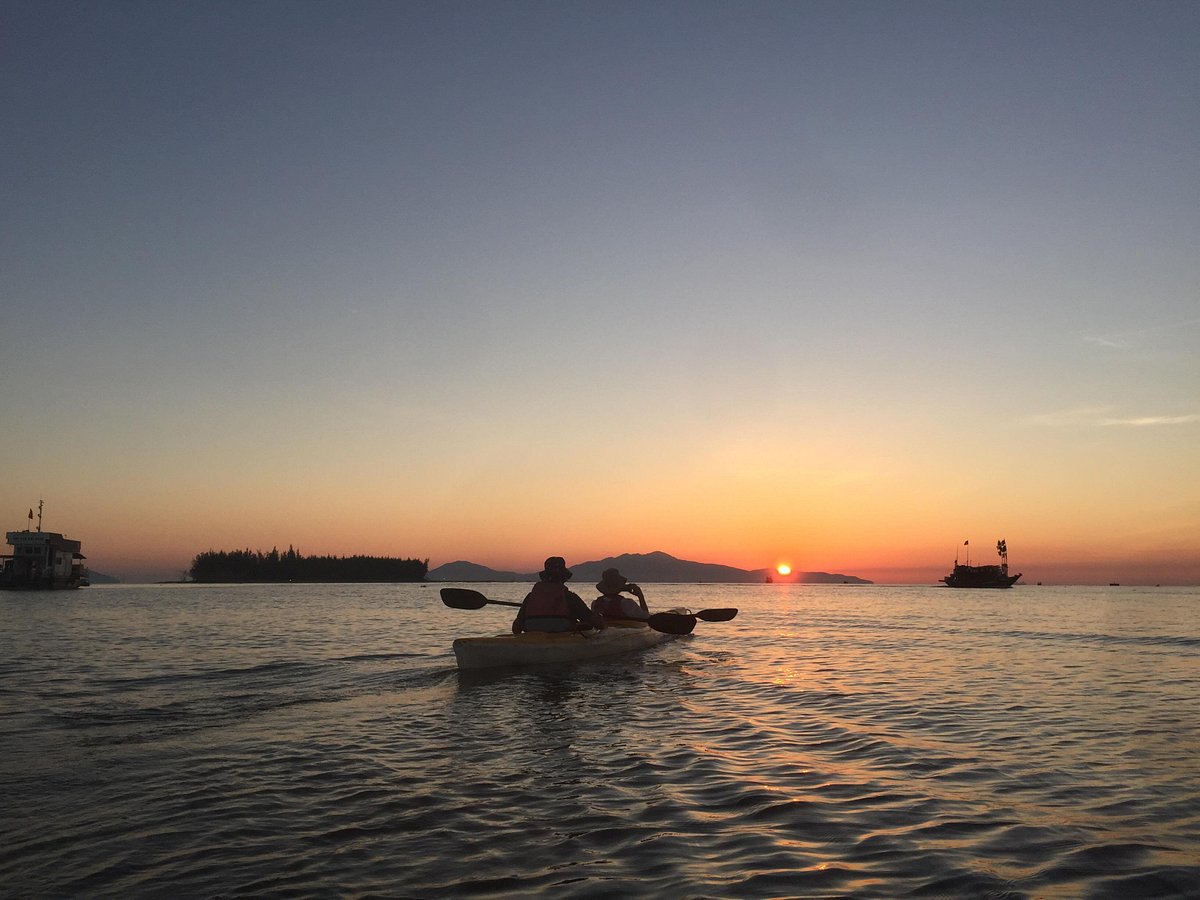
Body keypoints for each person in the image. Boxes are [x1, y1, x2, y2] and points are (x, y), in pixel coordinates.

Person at [512, 557, 603, 634]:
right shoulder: (569, 597)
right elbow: (596, 623)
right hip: (563, 639)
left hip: (532, 639)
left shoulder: (531, 597)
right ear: (563, 578)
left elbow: (516, 628)